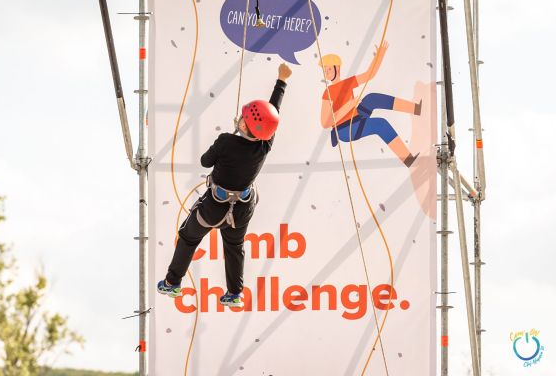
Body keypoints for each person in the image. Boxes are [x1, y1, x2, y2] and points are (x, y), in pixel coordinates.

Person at [157, 63, 292, 308]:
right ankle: (234, 294)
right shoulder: (265, 145)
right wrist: (281, 82)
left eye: (243, 118)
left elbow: (205, 161)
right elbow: (273, 114)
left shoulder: (226, 141)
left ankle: (172, 282)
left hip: (214, 206)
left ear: (244, 125)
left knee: (188, 237)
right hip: (241, 209)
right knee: (234, 246)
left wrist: (224, 144)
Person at [319, 42, 422, 167]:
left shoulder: (347, 83)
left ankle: (417, 109)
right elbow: (325, 123)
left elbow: (369, 74)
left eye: (329, 69)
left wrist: (379, 55)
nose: (327, 72)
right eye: (325, 70)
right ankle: (408, 159)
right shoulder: (328, 93)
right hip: (345, 130)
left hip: (356, 118)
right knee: (380, 124)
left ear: (337, 68)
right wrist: (349, 106)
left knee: (372, 99)